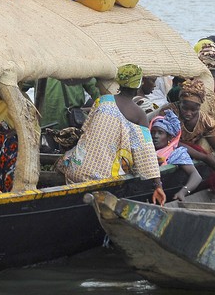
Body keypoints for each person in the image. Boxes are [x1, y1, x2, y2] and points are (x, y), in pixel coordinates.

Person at [54, 65, 167, 205]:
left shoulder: (102, 100)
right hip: (102, 178)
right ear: (139, 83)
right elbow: (146, 153)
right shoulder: (139, 114)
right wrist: (158, 185)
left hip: (74, 169)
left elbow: (84, 130)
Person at [149, 110, 203, 202]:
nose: (155, 136)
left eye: (160, 133)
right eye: (153, 132)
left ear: (169, 137)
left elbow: (196, 176)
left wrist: (183, 192)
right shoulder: (145, 152)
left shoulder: (176, 154)